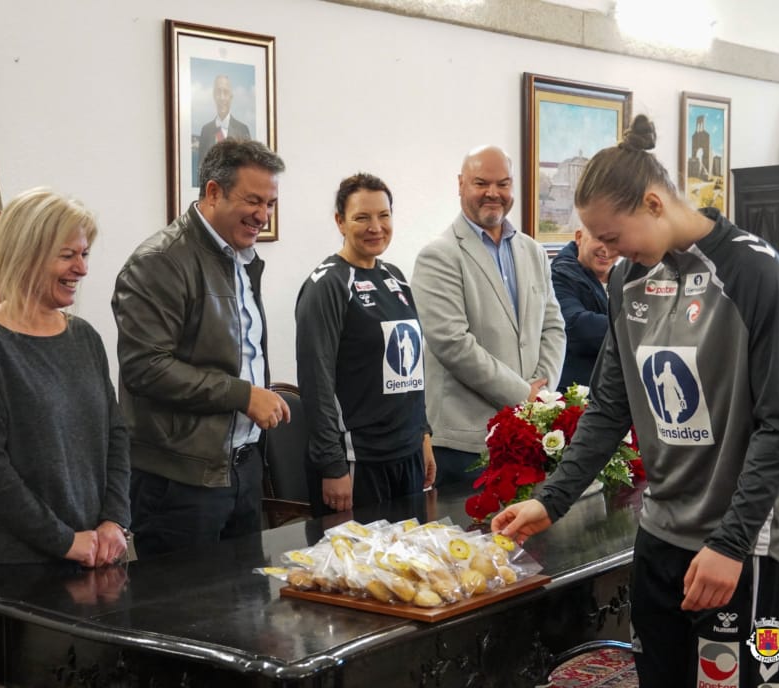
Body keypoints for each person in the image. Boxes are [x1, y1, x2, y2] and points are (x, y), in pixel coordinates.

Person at [492, 115, 779, 688]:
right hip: (662, 533)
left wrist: (730, 544)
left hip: (747, 542)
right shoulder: (627, 282)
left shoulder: (755, 271)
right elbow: (612, 406)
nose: (607, 252)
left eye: (613, 238)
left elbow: (777, 427)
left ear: (654, 203)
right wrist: (552, 501)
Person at [113, 139, 290, 558]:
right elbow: (146, 367)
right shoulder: (159, 261)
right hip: (180, 480)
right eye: (252, 200)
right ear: (213, 192)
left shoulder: (241, 257)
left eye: (270, 204)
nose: (262, 216)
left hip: (241, 467)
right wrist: (243, 395)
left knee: (247, 612)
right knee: (181, 618)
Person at [0, 188, 130, 570]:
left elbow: (116, 434)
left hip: (96, 554)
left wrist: (115, 520)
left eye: (84, 254)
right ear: (25, 256)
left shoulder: (84, 337)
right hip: (19, 567)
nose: (81, 268)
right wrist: (64, 541)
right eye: (67, 256)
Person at [412, 145, 566, 487]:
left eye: (503, 183)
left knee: (530, 540)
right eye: (481, 183)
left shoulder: (534, 251)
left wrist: (540, 398)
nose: (493, 193)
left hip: (529, 432)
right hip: (468, 445)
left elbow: (554, 326)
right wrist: (522, 395)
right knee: (470, 540)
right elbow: (453, 345)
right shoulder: (438, 256)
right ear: (460, 184)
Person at [295, 173, 436, 515]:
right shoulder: (327, 285)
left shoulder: (395, 277)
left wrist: (424, 435)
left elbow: (413, 368)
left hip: (407, 453)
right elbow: (316, 383)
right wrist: (333, 464)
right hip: (358, 460)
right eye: (362, 217)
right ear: (340, 222)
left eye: (383, 215)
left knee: (409, 563)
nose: (376, 226)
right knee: (360, 568)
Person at [550, 222, 620, 390]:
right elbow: (578, 327)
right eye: (599, 239)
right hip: (577, 395)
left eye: (614, 241)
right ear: (579, 237)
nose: (606, 249)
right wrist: (640, 328)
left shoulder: (626, 278)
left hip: (616, 392)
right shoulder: (560, 275)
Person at [197, 75, 252, 167]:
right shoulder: (205, 130)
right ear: (214, 96)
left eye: (225, 92)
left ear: (231, 96)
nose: (222, 97)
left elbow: (248, 168)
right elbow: (200, 169)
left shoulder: (243, 130)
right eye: (218, 92)